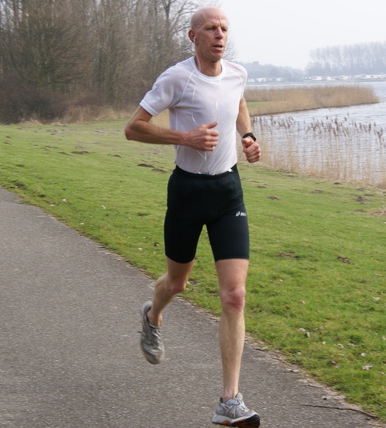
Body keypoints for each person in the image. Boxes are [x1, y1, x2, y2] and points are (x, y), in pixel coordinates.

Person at [124, 6, 261, 428]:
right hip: (187, 191)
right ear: (193, 36)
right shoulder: (176, 78)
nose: (219, 35)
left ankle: (229, 401)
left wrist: (248, 135)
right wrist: (184, 136)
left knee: (234, 295)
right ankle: (152, 316)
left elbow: (236, 101)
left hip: (227, 190)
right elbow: (134, 127)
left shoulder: (236, 72)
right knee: (177, 282)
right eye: (210, 29)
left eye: (224, 29)